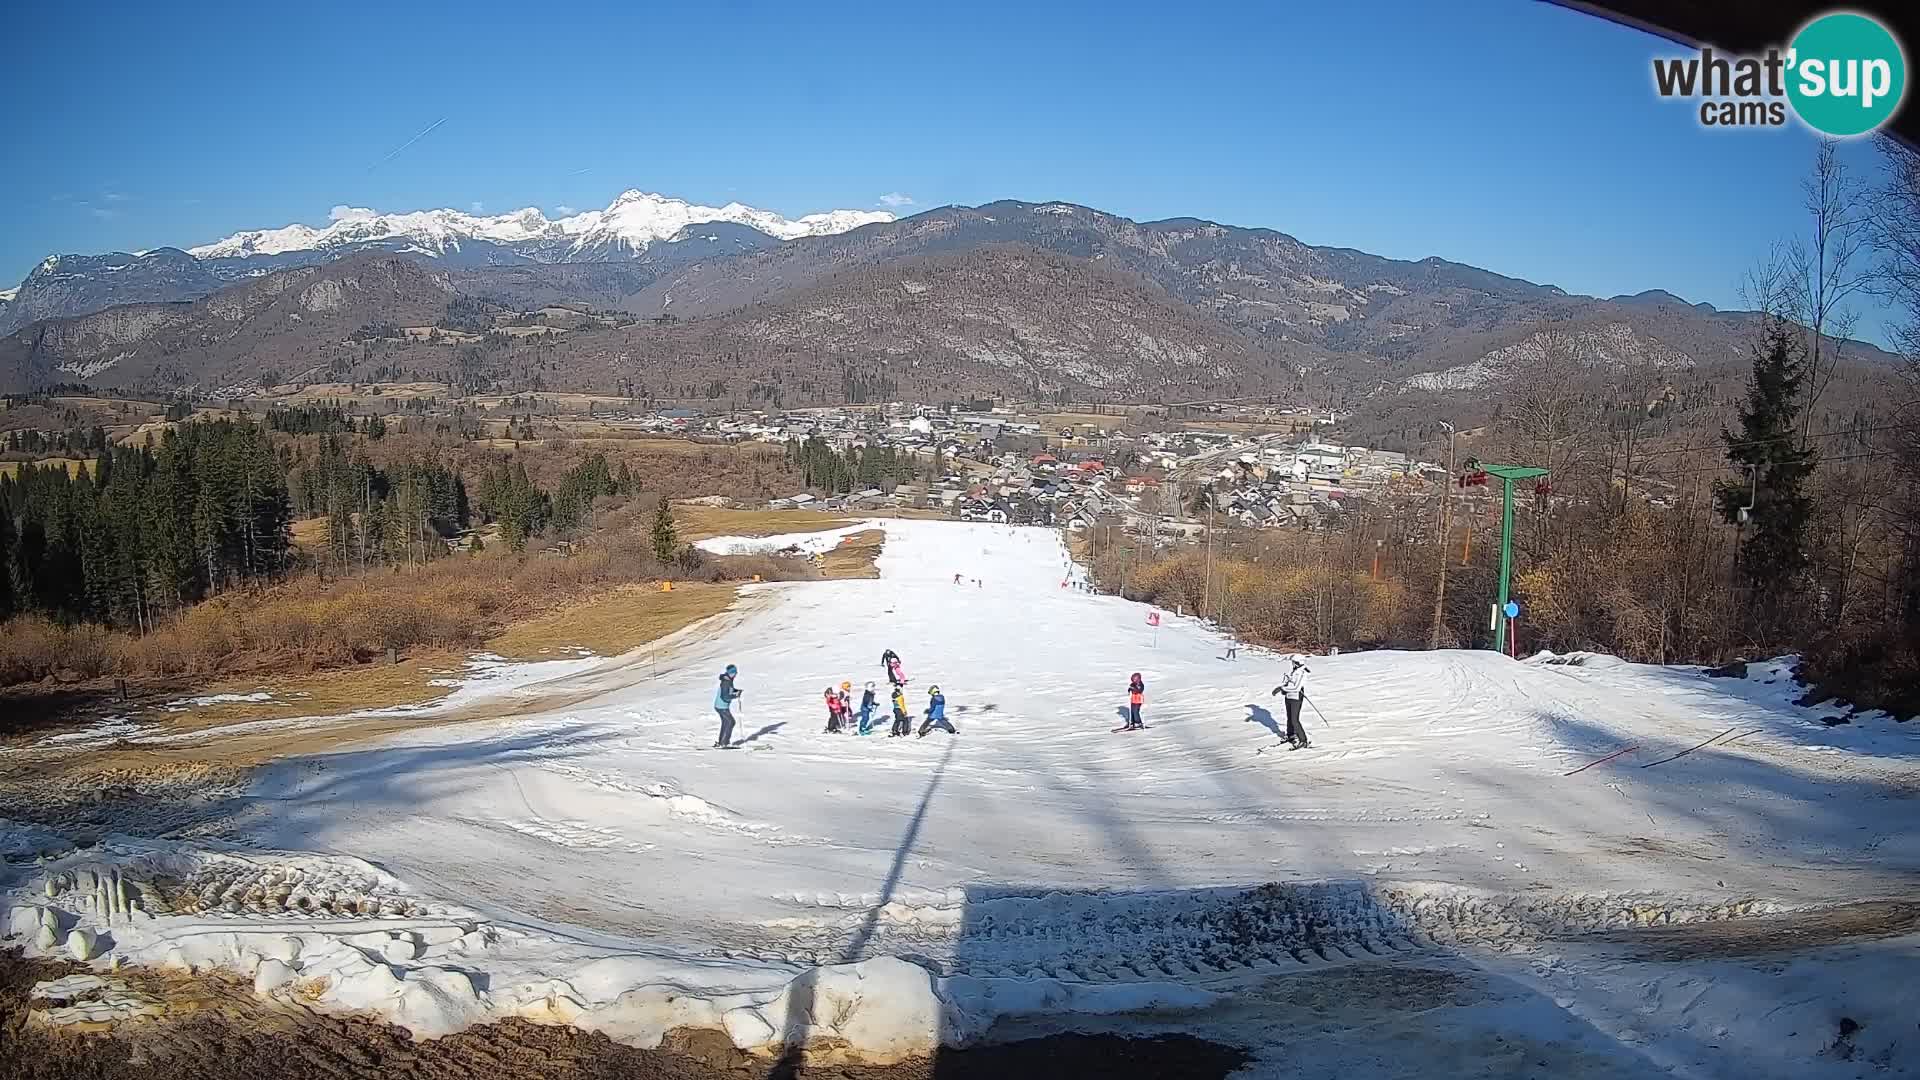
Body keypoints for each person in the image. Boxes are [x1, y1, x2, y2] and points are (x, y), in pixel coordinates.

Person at [1270, 654, 1313, 749]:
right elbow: (1287, 682)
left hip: (1296, 697)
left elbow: (1297, 688)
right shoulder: (1294, 671)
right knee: (1289, 717)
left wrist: (1283, 689)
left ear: (1298, 662)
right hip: (1288, 696)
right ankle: (1290, 735)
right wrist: (1282, 686)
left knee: (1294, 719)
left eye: (1293, 662)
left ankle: (1303, 740)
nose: (1292, 664)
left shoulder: (1302, 672)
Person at [713, 664, 743, 748]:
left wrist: (736, 691)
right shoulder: (726, 682)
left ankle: (722, 742)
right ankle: (724, 743)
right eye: (735, 673)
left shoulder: (728, 680)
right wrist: (735, 696)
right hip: (721, 707)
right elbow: (725, 696)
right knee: (730, 722)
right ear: (731, 673)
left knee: (727, 722)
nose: (736, 674)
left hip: (721, 706)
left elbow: (728, 690)